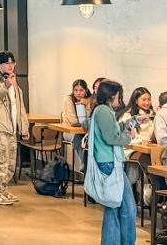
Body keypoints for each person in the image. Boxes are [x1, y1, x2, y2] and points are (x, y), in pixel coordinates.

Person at [89, 80, 137, 245]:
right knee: (127, 208)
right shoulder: (103, 111)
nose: (120, 99)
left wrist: (133, 121)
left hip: (109, 163)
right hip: (109, 164)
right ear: (111, 96)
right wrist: (128, 138)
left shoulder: (103, 111)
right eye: (119, 96)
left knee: (115, 207)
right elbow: (111, 138)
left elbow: (112, 129)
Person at [0, 50, 29, 206]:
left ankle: (3, 190)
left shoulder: (14, 82)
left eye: (12, 63)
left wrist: (24, 128)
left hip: (11, 128)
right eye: (6, 63)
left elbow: (19, 106)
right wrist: (5, 85)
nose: (10, 66)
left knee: (10, 162)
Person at [59, 79, 94, 169]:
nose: (78, 93)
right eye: (76, 90)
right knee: (79, 138)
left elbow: (91, 118)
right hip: (70, 132)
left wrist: (87, 105)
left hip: (85, 131)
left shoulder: (90, 100)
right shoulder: (68, 100)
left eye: (81, 90)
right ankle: (85, 164)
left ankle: (92, 164)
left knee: (92, 138)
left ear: (86, 91)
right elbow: (73, 121)